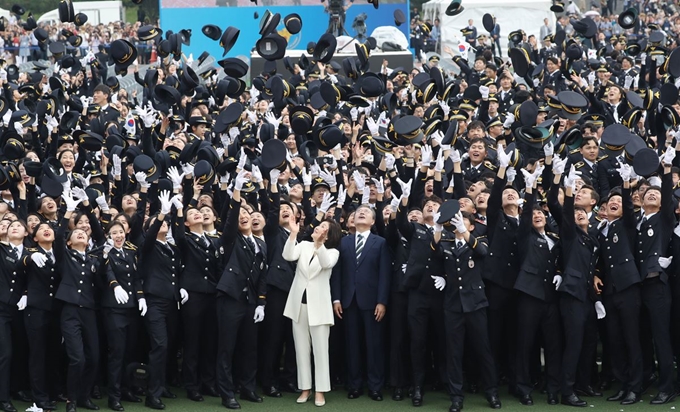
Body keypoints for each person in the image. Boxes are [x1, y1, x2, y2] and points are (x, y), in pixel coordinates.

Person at [331, 204, 391, 402]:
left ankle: (375, 386)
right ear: (353, 220)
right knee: (352, 344)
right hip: (348, 301)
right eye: (358, 213)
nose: (361, 213)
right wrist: (337, 298)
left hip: (372, 301)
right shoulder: (344, 242)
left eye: (366, 212)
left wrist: (382, 301)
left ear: (373, 221)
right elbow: (338, 273)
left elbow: (384, 274)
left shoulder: (380, 242)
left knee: (374, 345)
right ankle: (354, 385)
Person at [282, 215, 341, 407]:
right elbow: (288, 256)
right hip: (298, 305)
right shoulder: (304, 245)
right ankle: (305, 388)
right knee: (301, 349)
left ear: (329, 235)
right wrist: (293, 233)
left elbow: (326, 264)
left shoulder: (332, 252)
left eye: (324, 227)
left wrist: (319, 245)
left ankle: (320, 391)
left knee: (320, 351)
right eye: (319, 225)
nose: (318, 228)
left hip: (320, 308)